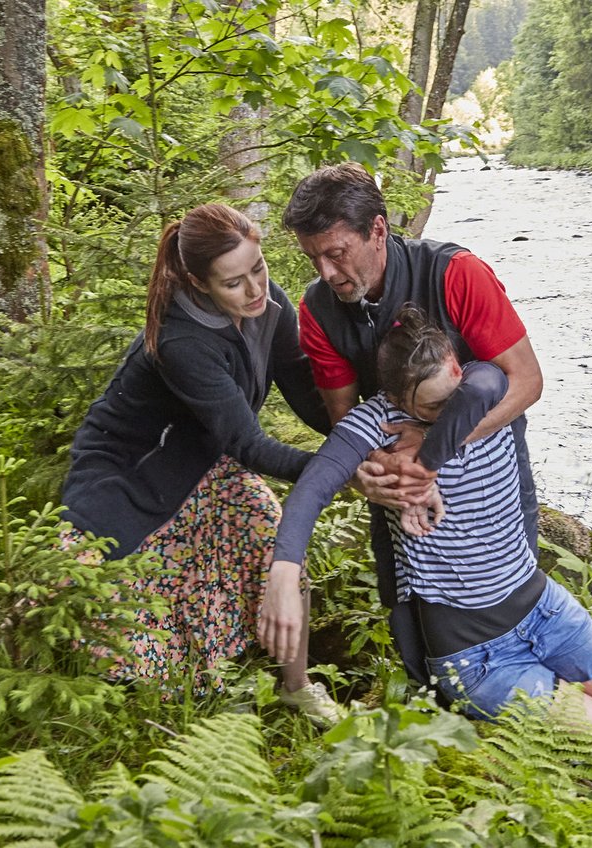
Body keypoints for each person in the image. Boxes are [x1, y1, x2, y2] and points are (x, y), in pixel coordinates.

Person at [257, 306, 592, 783]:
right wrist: (283, 572)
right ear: (397, 398)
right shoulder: (372, 425)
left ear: (457, 367)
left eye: (452, 394)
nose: (449, 412)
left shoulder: (483, 384)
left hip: (547, 612)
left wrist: (428, 457)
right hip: (478, 658)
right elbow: (311, 490)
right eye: (431, 409)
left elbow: (479, 390)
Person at [60, 203, 341, 723]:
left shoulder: (269, 304)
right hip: (128, 470)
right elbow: (250, 446)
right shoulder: (182, 340)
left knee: (275, 541)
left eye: (258, 268)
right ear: (197, 280)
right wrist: (339, 473)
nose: (255, 289)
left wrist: (360, 438)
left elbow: (302, 385)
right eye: (234, 282)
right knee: (71, 588)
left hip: (204, 460)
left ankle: (296, 688)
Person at [280, 163, 543, 684]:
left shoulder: (456, 273)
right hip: (401, 485)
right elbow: (344, 419)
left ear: (377, 230)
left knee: (510, 605)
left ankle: (521, 725)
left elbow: (526, 382)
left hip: (492, 477)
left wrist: (436, 447)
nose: (327, 274)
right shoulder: (317, 309)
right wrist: (371, 474)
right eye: (314, 259)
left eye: (336, 254)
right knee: (412, 624)